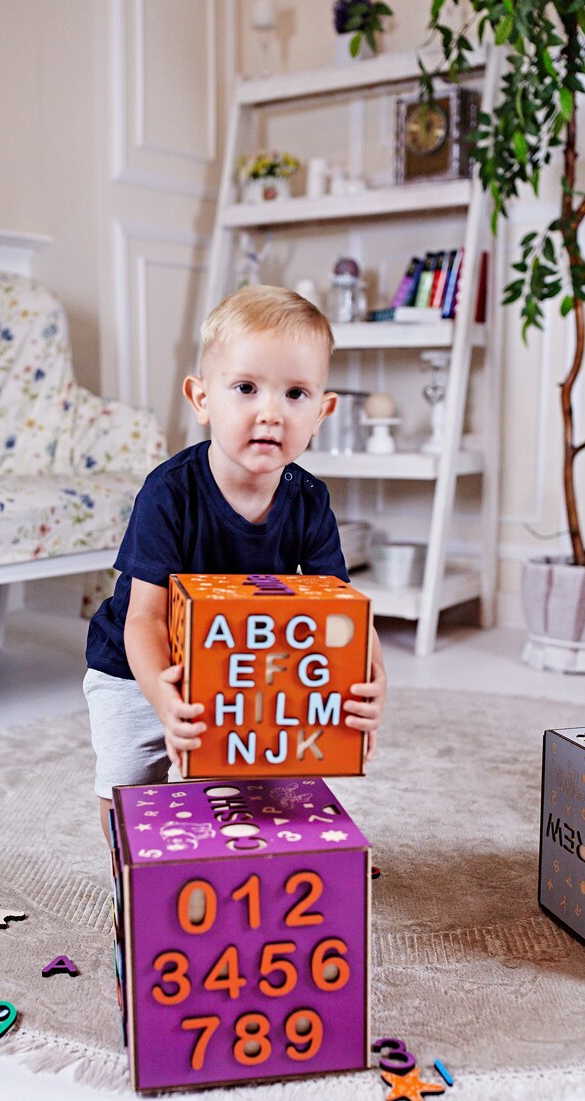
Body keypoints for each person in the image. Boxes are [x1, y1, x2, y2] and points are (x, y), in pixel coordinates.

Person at [84, 285, 387, 841]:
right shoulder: (168, 493)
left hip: (238, 673)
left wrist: (370, 678)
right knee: (130, 782)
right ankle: (131, 886)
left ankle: (226, 872)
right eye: (246, 388)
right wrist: (164, 699)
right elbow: (144, 620)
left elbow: (341, 612)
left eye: (295, 394)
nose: (270, 411)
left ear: (322, 412)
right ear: (201, 400)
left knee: (235, 788)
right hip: (137, 667)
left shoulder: (309, 499)